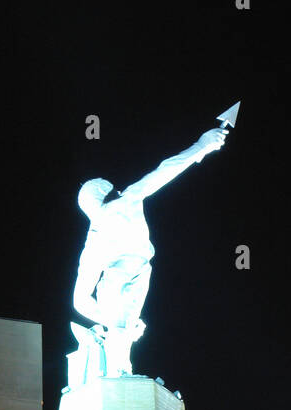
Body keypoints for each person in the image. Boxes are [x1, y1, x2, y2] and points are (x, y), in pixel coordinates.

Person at [70, 127, 227, 380]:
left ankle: (119, 374)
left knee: (122, 338)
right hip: (131, 274)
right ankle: (119, 378)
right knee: (121, 340)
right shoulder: (125, 200)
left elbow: (79, 299)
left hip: (131, 276)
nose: (115, 189)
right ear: (102, 193)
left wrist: (108, 319)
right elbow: (165, 170)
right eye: (109, 188)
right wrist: (202, 145)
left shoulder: (94, 239)